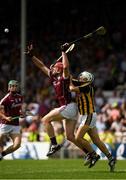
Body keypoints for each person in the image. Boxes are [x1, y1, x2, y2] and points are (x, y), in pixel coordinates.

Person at [25, 44, 99, 161]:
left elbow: (65, 67)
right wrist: (32, 56)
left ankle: (54, 144)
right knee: (70, 136)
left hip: (68, 106)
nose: (52, 69)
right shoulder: (54, 77)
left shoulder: (64, 78)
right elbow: (41, 66)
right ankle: (90, 153)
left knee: (45, 120)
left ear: (58, 69)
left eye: (54, 67)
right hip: (71, 108)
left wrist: (63, 52)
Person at [69, 71, 116, 171]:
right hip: (86, 116)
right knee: (96, 141)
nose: (80, 79)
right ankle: (111, 158)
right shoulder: (83, 85)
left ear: (87, 80)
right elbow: (72, 81)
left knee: (78, 138)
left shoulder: (86, 87)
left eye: (83, 78)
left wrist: (68, 80)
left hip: (88, 115)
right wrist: (66, 76)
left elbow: (71, 88)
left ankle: (93, 154)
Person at [0, 80, 23, 160]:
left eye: (16, 86)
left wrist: (21, 113)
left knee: (17, 145)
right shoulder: (5, 99)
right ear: (9, 87)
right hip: (5, 124)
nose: (14, 87)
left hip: (15, 125)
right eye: (12, 86)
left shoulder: (20, 97)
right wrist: (6, 117)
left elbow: (19, 109)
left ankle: (2, 154)